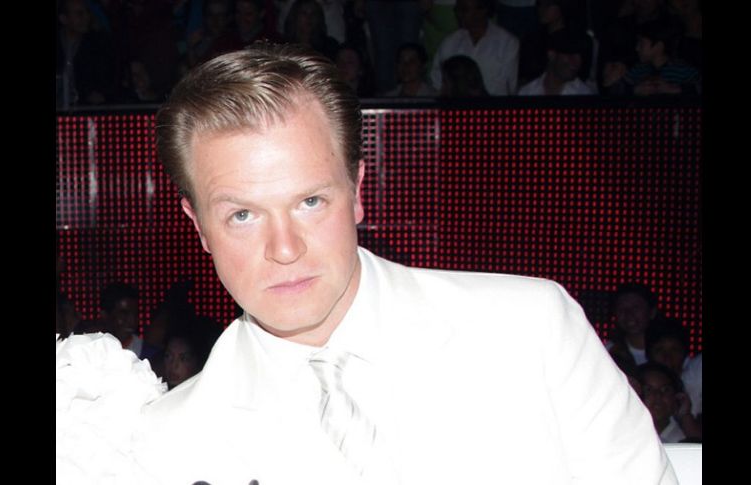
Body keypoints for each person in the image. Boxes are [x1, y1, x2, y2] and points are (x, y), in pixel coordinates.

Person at [131, 43, 677, 484]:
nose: (285, 247)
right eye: (243, 214)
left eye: (310, 201)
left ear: (357, 190)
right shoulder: (170, 442)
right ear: (199, 226)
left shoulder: (531, 327)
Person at [429, 0, 520, 95]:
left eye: (464, 10)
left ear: (482, 10)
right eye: (457, 9)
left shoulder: (507, 43)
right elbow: (437, 82)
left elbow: (507, 88)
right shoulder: (450, 42)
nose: (458, 14)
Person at [635, 362, 702, 443]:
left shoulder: (686, 434)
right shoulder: (627, 433)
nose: (658, 396)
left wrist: (685, 416)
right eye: (649, 390)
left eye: (665, 390)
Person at [517, 29, 595, 95]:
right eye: (570, 54)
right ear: (552, 55)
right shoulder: (528, 92)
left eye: (580, 57)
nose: (576, 62)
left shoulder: (583, 93)